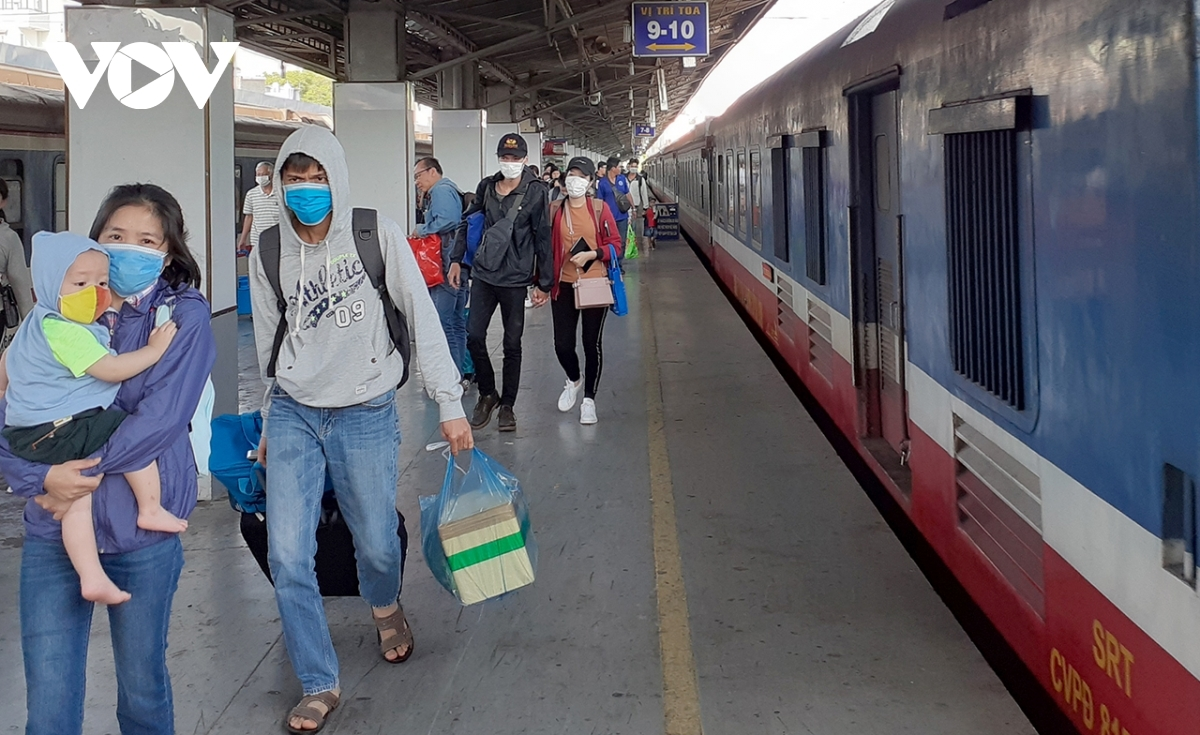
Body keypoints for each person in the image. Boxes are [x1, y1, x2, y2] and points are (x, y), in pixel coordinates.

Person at [248, 126, 473, 734]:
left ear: (337, 178)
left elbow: (421, 314)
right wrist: (268, 418)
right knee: (286, 553)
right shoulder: (268, 250)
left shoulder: (376, 234)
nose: (306, 189)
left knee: (375, 540)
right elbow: (270, 344)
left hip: (366, 409)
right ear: (280, 183)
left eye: (317, 177)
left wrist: (449, 401)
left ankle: (385, 603)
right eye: (295, 179)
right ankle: (318, 680)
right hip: (294, 411)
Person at [0, 183, 215, 735]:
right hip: (51, 530)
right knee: (48, 705)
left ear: (169, 251)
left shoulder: (181, 317)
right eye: (116, 235)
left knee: (142, 693)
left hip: (139, 535)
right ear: (94, 239)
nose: (128, 249)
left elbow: (161, 421)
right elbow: (10, 412)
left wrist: (71, 476)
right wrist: (42, 478)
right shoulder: (52, 315)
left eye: (147, 240)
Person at [0, 231, 187, 605]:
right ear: (49, 285)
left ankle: (91, 576)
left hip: (30, 433)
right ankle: (150, 507)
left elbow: (3, 377)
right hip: (59, 428)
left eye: (102, 282)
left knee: (77, 501)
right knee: (125, 432)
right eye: (80, 283)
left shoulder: (36, 324)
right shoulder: (65, 331)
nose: (96, 292)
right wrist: (154, 350)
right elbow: (111, 370)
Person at [449, 132, 552, 433]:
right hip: (485, 273)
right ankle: (488, 393)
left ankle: (507, 405)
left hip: (515, 278)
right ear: (498, 159)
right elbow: (468, 223)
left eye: (515, 158)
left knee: (512, 343)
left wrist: (543, 282)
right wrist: (456, 259)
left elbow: (543, 237)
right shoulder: (486, 187)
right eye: (505, 158)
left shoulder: (536, 191)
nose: (509, 162)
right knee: (474, 335)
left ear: (525, 160)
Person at [548, 157, 623, 424]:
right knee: (562, 344)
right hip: (563, 284)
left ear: (591, 182)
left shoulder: (600, 209)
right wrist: (540, 283)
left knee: (591, 344)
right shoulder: (554, 209)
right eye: (572, 174)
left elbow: (616, 245)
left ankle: (589, 400)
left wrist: (594, 253)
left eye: (582, 176)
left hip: (594, 283)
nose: (575, 180)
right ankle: (574, 379)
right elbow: (545, 246)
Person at [412, 157, 468, 384]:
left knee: (443, 322)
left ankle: (449, 377)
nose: (417, 182)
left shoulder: (441, 191)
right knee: (456, 321)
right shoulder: (451, 189)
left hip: (446, 266)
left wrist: (422, 229)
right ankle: (458, 374)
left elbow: (447, 220)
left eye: (418, 175)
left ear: (433, 171)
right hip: (458, 262)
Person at [0, 179, 34, 337]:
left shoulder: (8, 238)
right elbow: (19, 282)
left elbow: (20, 282)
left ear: (3, 202)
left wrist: (30, 325)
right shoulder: (8, 237)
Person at [237, 161, 280, 255]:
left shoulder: (281, 194)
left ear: (271, 175)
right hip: (257, 240)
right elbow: (249, 217)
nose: (260, 177)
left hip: (277, 240)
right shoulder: (251, 194)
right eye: (258, 174)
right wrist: (243, 239)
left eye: (263, 174)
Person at [597, 156, 631, 241]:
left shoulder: (622, 179)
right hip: (609, 217)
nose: (621, 169)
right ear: (613, 168)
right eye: (619, 167)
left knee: (622, 241)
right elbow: (600, 201)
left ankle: (621, 251)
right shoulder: (602, 183)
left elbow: (627, 194)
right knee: (611, 240)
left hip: (622, 215)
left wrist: (633, 209)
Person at [625, 158, 651, 249]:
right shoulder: (622, 178)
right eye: (632, 166)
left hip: (635, 206)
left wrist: (645, 207)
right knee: (624, 225)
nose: (634, 168)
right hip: (623, 206)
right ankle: (625, 243)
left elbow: (644, 193)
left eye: (636, 167)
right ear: (629, 166)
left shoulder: (640, 179)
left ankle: (632, 244)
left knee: (633, 226)